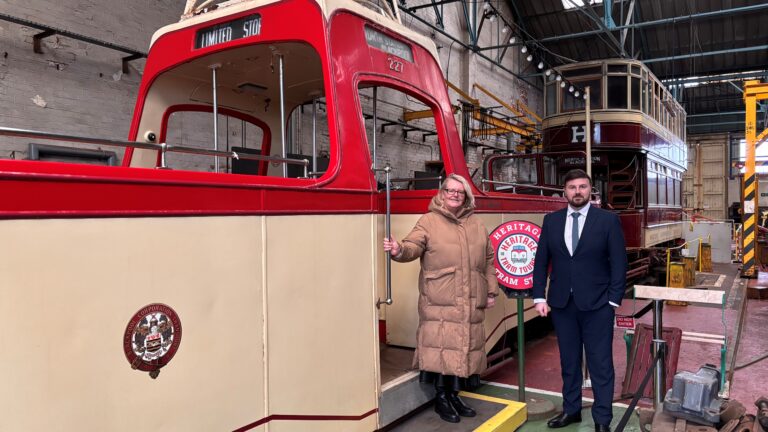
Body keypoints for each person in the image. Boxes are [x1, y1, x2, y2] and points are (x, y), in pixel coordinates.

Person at [383, 173, 499, 424]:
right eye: (450, 190)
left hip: (470, 299)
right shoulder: (429, 221)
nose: (455, 195)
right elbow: (413, 246)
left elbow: (488, 260)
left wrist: (490, 291)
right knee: (442, 349)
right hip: (441, 299)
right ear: (442, 193)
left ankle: (454, 395)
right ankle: (441, 398)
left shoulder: (476, 224)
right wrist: (398, 250)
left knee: (463, 348)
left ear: (466, 195)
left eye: (460, 191)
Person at [532, 169, 627, 432]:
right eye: (572, 187)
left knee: (600, 364)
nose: (577, 191)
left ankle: (602, 420)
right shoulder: (551, 221)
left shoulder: (607, 221)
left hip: (598, 305)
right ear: (565, 192)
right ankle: (571, 410)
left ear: (590, 190)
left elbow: (619, 263)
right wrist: (539, 295)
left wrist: (613, 301)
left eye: (582, 187)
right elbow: (541, 261)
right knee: (569, 363)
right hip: (562, 304)